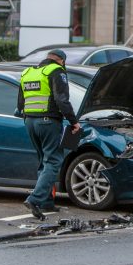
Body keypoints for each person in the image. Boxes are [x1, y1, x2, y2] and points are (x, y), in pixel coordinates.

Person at [18, 49, 81, 220]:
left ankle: (47, 201)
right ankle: (35, 199)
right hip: (48, 123)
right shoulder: (57, 71)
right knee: (53, 161)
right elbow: (62, 99)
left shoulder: (28, 73)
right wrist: (74, 121)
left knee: (43, 161)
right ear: (61, 61)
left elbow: (20, 103)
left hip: (30, 122)